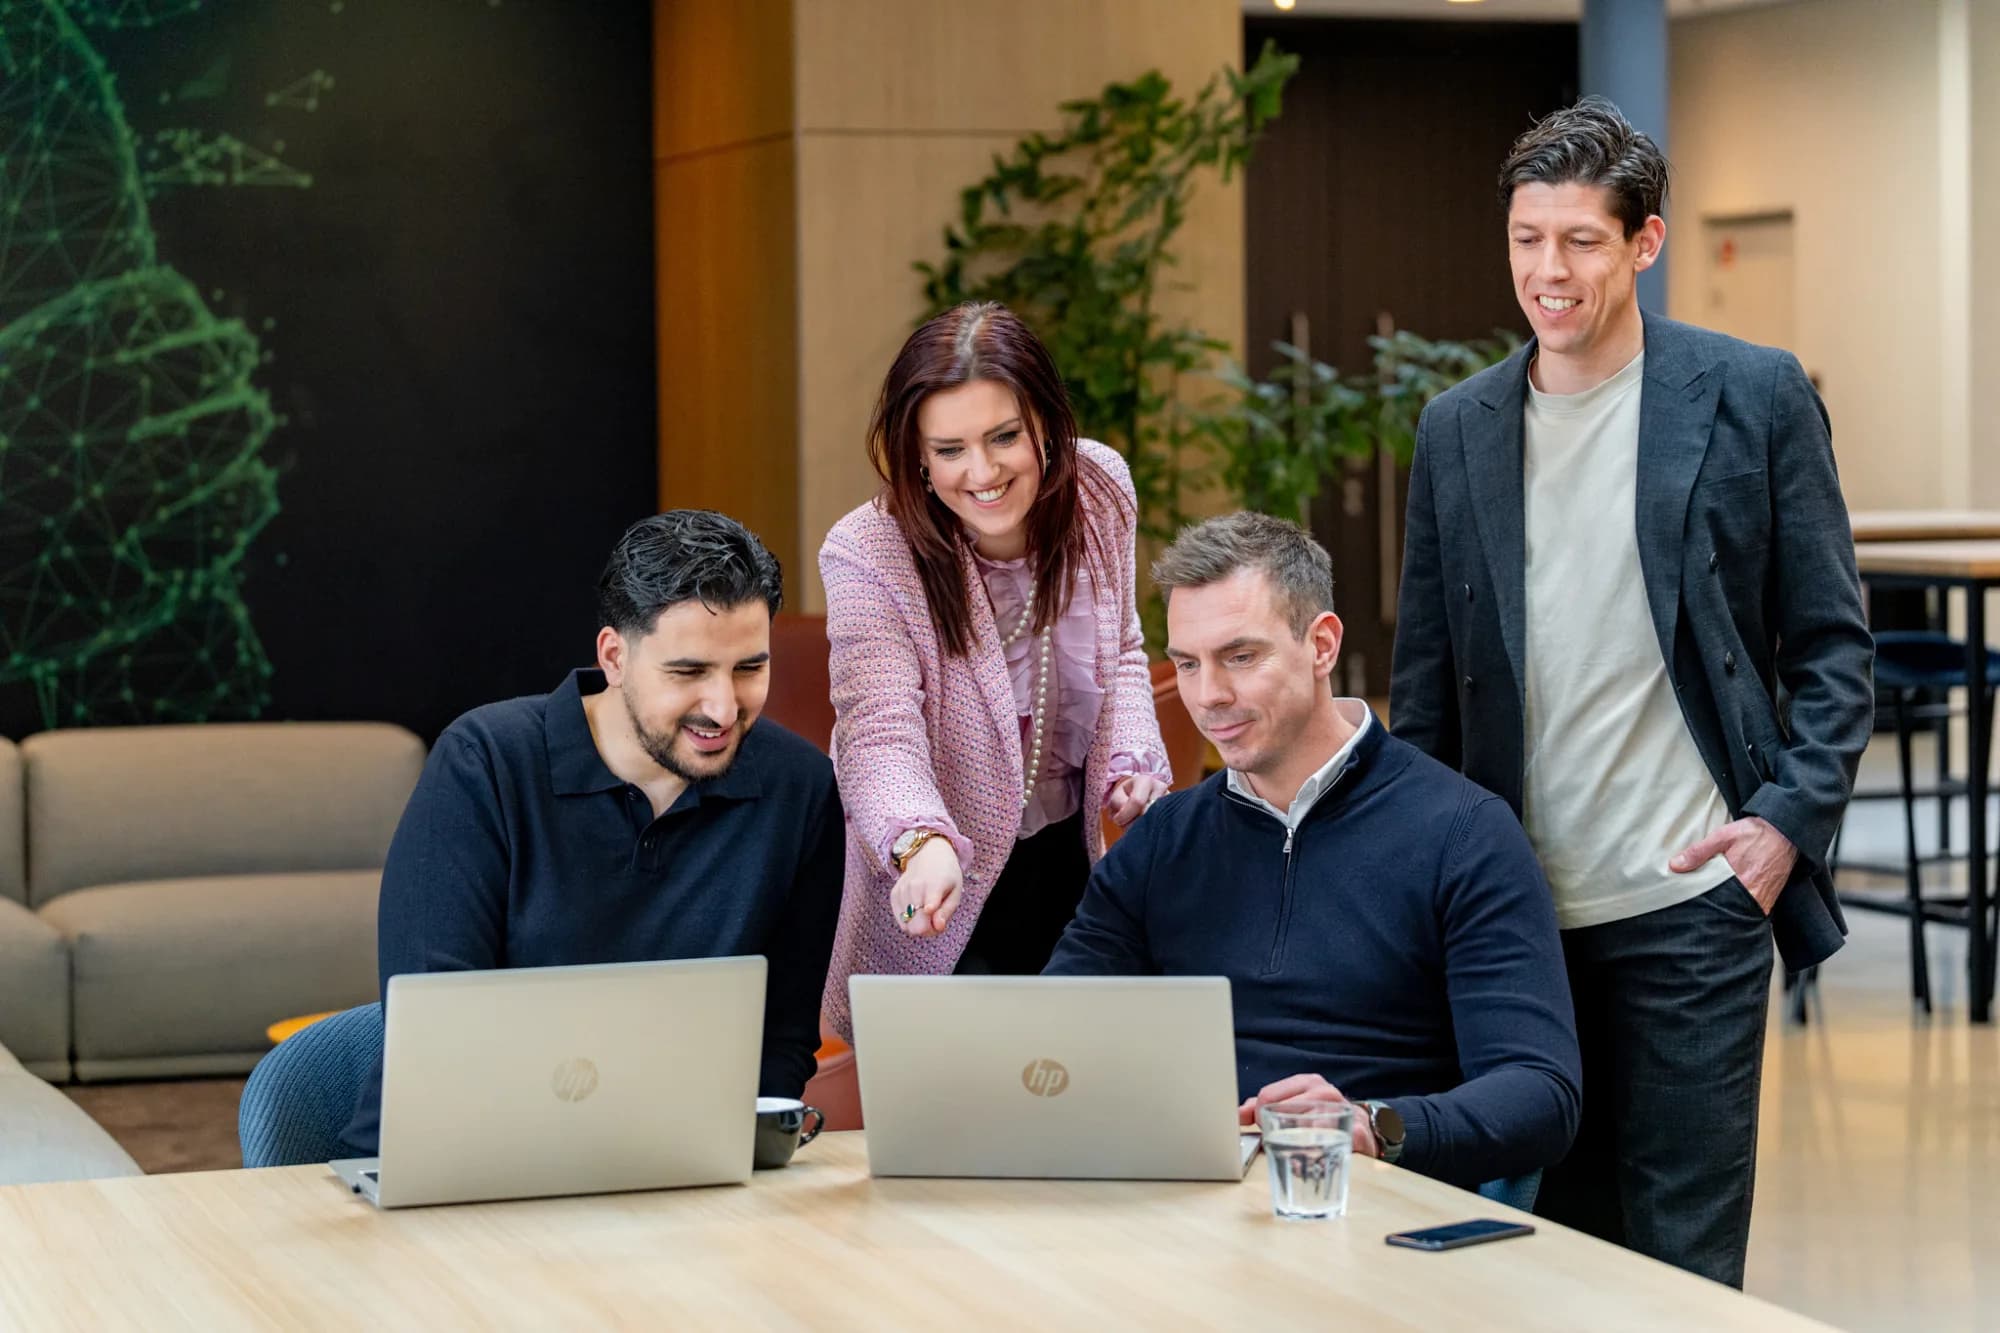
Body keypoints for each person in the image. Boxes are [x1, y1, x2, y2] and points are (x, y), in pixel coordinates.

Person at [1389, 97, 1874, 1285]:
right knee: (1547, 1254)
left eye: (1579, 241)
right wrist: (1421, 893)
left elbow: (1829, 645)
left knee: (1680, 1263)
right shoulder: (1456, 429)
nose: (1545, 272)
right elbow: (1424, 692)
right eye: (1524, 239)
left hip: (1692, 898)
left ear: (1643, 244)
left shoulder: (1749, 395)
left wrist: (1779, 828)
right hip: (1512, 917)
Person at [1046, 512, 1580, 1191]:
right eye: (1187, 663)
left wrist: (1369, 1124)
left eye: (1241, 656)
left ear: (1322, 644)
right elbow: (1053, 1041)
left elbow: (1540, 1092)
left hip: (1373, 1213)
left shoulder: (1465, 833)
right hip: (1188, 1212)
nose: (1210, 694)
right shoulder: (1159, 842)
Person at [336, 510, 843, 1156]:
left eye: (749, 668)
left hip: (675, 1178)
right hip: (453, 1168)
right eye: (689, 672)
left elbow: (780, 1042)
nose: (723, 707)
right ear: (614, 656)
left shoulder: (800, 790)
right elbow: (442, 1034)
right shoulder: (484, 767)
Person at [819, 301, 1171, 1034]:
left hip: (1068, 862)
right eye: (948, 450)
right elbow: (877, 730)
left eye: (1004, 436)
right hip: (946, 882)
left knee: (1079, 1104)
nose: (981, 472)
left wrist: (1133, 758)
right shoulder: (867, 552)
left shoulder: (1100, 490)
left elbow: (1127, 647)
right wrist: (920, 842)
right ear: (916, 451)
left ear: (1045, 421)